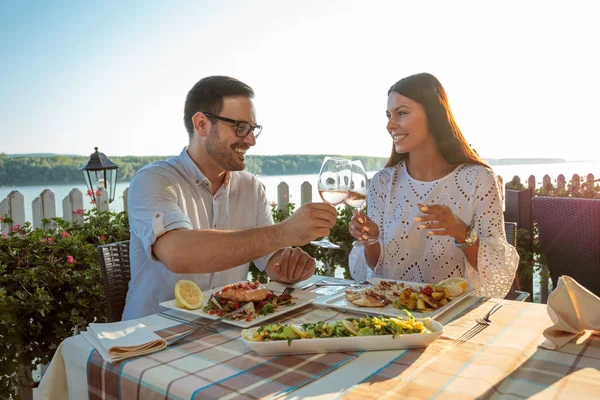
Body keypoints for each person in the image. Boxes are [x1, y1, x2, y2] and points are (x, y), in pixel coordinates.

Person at [122, 76, 337, 320]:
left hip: (224, 331)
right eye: (240, 127)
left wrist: (289, 266)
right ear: (202, 124)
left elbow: (270, 259)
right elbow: (178, 253)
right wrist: (286, 231)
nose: (251, 140)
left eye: (253, 129)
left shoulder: (250, 186)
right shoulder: (153, 180)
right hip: (150, 337)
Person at [348, 73, 518, 298]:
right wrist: (370, 239)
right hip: (392, 312)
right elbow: (376, 269)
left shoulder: (479, 179)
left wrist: (462, 232)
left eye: (402, 113)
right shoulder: (382, 182)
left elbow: (497, 269)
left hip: (456, 313)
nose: (390, 125)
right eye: (389, 115)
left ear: (433, 114)